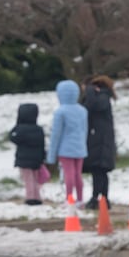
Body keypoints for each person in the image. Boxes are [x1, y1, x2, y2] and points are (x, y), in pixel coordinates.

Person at [47, 79, 89, 207]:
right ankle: (80, 199)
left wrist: (51, 155)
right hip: (80, 148)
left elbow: (56, 134)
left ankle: (69, 198)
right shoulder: (82, 110)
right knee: (78, 174)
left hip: (65, 149)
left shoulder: (60, 112)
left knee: (68, 174)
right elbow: (84, 129)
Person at [81, 74, 117, 209]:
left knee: (99, 170)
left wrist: (90, 91)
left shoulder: (100, 98)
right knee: (99, 171)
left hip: (100, 140)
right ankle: (101, 198)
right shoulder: (101, 97)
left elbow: (93, 106)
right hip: (99, 139)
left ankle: (99, 198)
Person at [9, 102, 47, 206]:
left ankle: (31, 197)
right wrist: (43, 157)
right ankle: (37, 196)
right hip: (36, 159)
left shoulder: (20, 130)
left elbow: (12, 137)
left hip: (24, 159)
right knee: (35, 178)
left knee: (28, 179)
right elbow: (42, 144)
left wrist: (17, 124)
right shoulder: (39, 129)